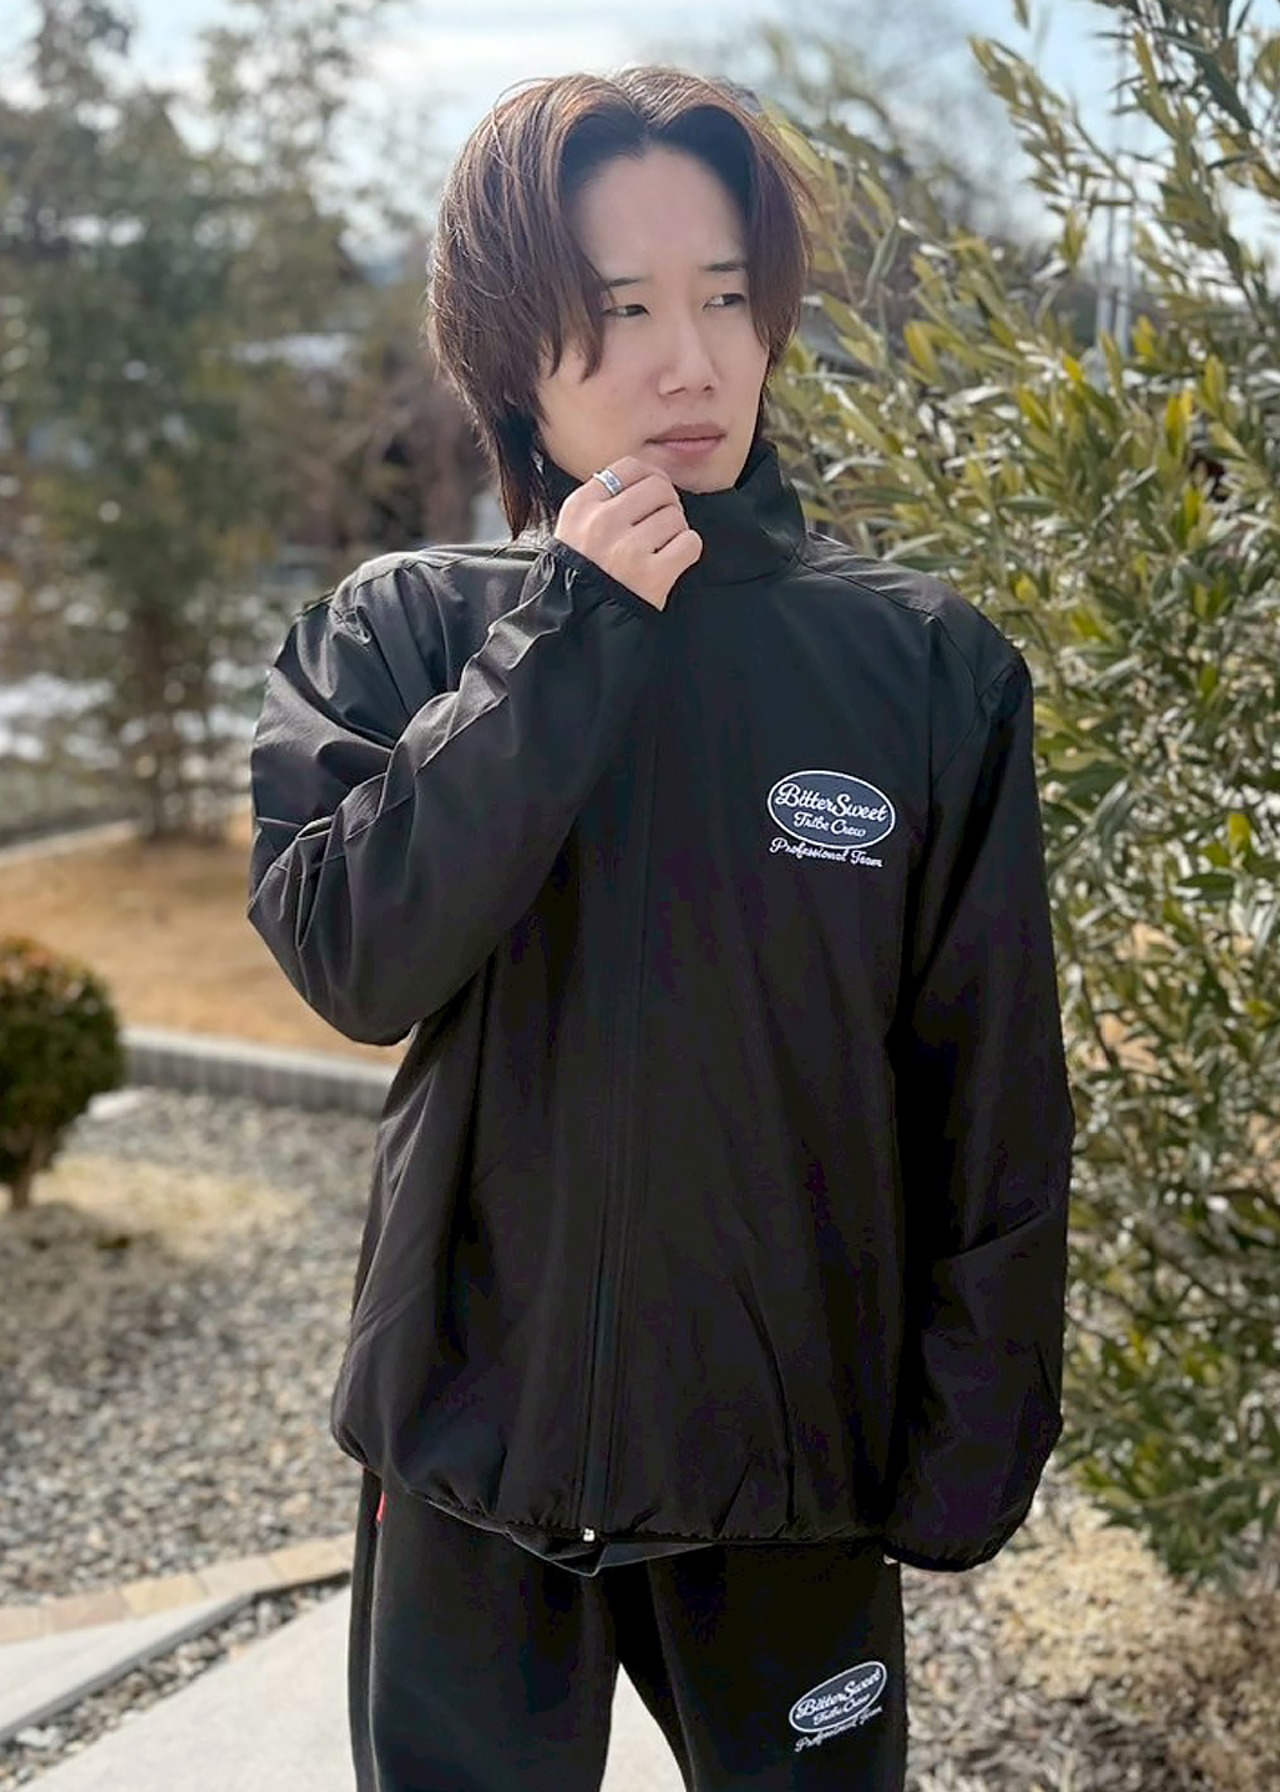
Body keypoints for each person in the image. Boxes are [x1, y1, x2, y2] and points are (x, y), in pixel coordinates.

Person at [247, 64, 1075, 1792]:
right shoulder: (403, 632)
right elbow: (353, 956)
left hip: (789, 1477)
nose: (689, 362)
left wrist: (969, 1443)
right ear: (509, 351)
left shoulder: (923, 667)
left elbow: (991, 1090)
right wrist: (568, 632)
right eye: (621, 308)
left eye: (726, 298)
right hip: (471, 1465)